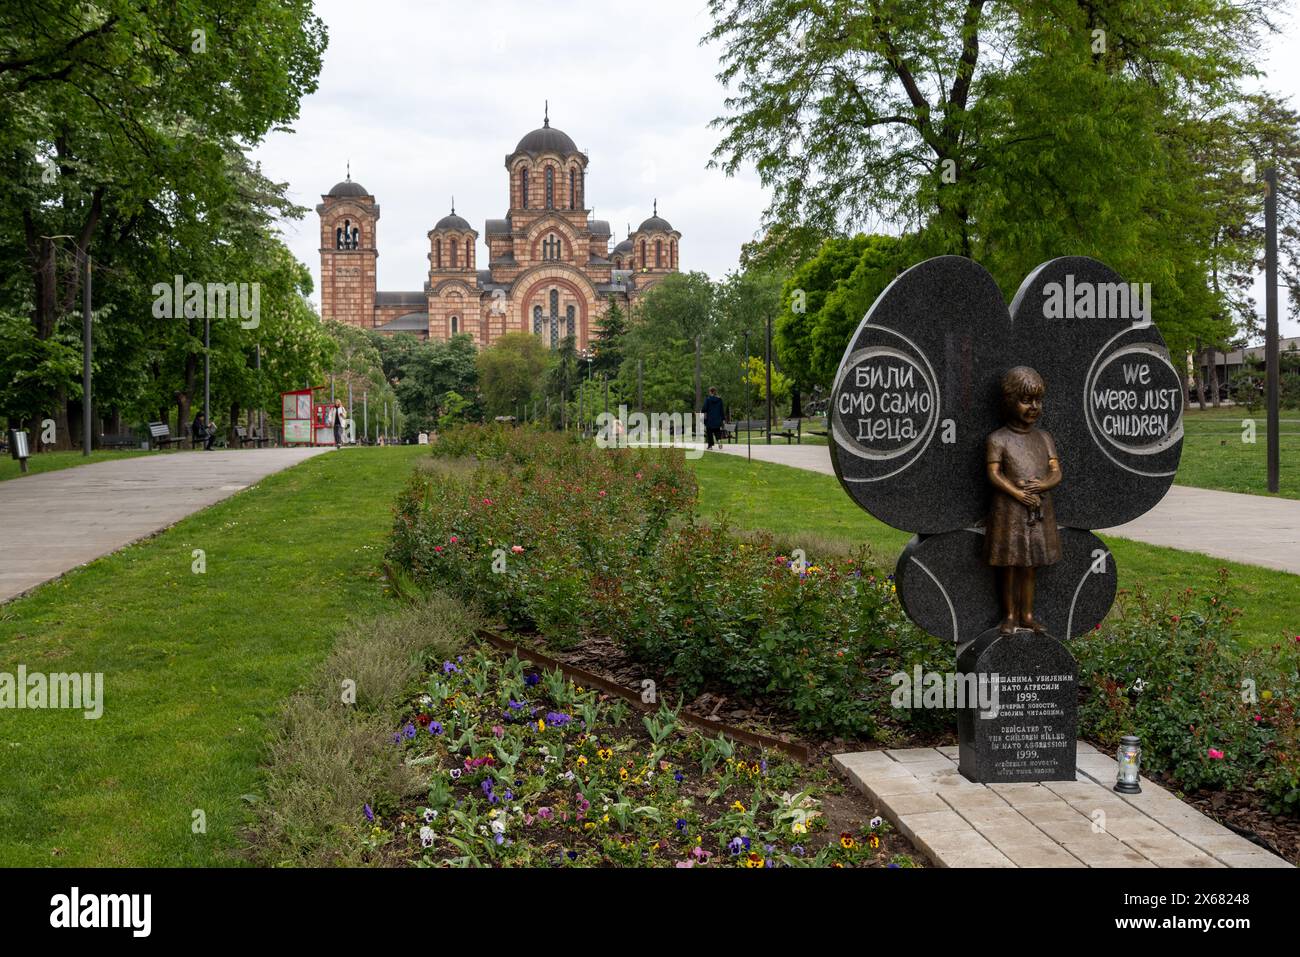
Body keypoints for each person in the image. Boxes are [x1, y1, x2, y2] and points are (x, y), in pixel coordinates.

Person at [984, 366, 1062, 635]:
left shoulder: (1044, 437)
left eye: (1038, 401)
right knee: (1010, 565)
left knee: (1030, 566)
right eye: (1026, 400)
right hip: (1010, 511)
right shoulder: (998, 439)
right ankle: (1009, 615)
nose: (1034, 407)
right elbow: (993, 474)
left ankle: (1027, 615)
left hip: (1038, 510)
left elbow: (1056, 471)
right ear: (1009, 402)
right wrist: (1017, 494)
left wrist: (1042, 485)